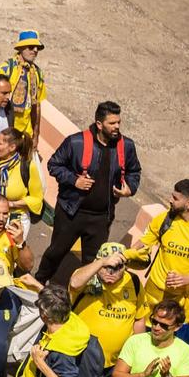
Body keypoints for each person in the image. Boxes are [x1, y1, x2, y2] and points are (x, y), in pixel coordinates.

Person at [37, 102, 139, 283]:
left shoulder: (127, 146)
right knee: (56, 252)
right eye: (112, 123)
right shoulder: (76, 142)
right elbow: (54, 165)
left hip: (101, 217)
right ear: (99, 124)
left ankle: (82, 298)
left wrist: (129, 188)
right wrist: (74, 180)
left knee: (93, 262)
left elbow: (134, 171)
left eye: (118, 123)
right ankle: (38, 282)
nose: (117, 127)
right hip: (71, 212)